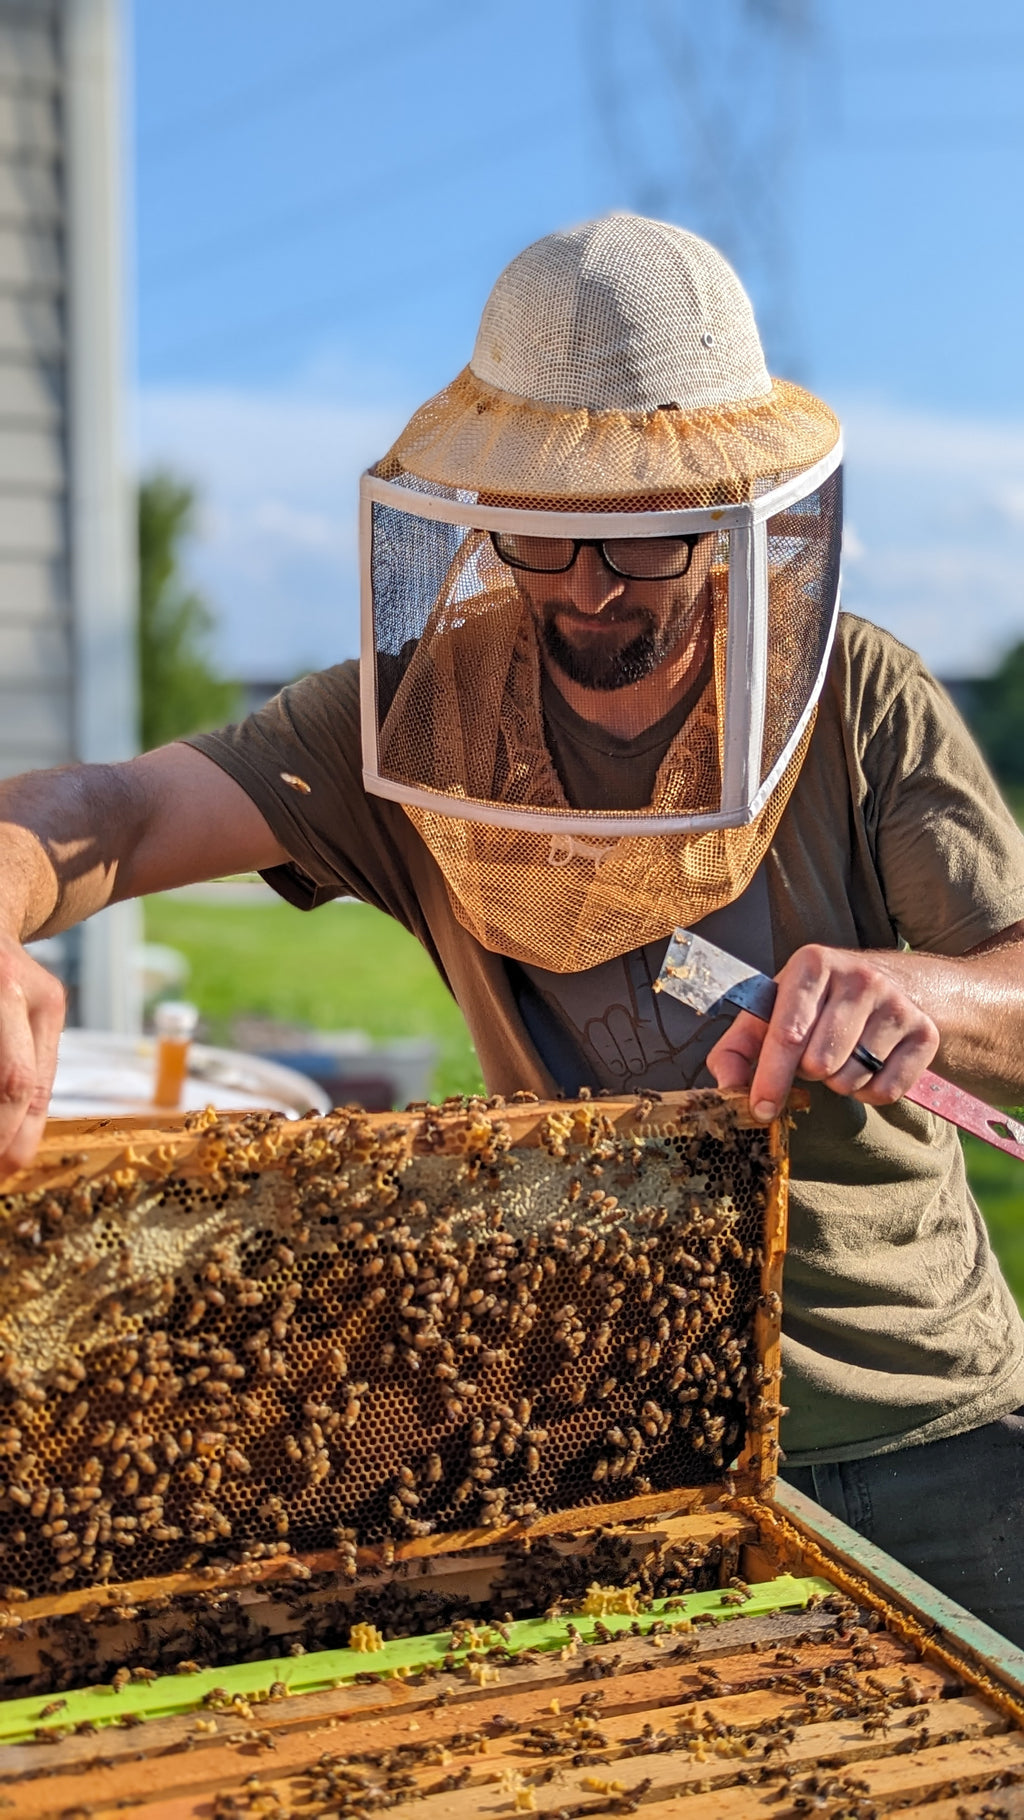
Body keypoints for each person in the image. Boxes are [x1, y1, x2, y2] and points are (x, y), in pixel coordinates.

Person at [2, 214, 1024, 1637]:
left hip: (924, 1421)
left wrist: (923, 991)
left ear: (736, 515)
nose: (591, 587)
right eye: (549, 536)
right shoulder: (411, 716)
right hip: (615, 1432)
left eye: (645, 541)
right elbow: (114, 810)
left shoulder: (858, 694)